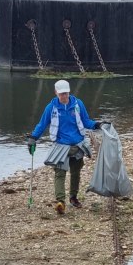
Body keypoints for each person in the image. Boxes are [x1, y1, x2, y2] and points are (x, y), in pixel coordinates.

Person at [27, 79, 101, 214]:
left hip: (78, 144)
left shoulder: (78, 104)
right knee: (60, 173)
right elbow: (42, 124)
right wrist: (33, 137)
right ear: (56, 93)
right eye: (61, 94)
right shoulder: (51, 108)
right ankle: (60, 201)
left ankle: (73, 197)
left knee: (76, 172)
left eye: (66, 93)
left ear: (69, 92)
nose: (64, 96)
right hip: (60, 146)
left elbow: (86, 121)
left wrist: (97, 125)